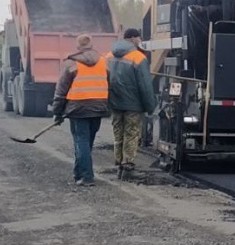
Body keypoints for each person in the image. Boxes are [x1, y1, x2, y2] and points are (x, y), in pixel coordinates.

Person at [51, 34, 109, 187]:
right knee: (87, 141)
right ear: (91, 45)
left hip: (78, 108)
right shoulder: (103, 62)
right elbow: (111, 83)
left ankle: (86, 176)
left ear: (78, 46)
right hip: (98, 107)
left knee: (81, 141)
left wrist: (57, 112)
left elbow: (61, 89)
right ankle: (78, 173)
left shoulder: (72, 63)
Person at [106, 28, 157, 179]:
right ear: (134, 38)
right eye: (138, 38)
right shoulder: (138, 57)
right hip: (133, 105)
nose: (139, 40)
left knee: (118, 133)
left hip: (115, 103)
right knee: (131, 133)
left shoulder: (109, 56)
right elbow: (145, 86)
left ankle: (118, 163)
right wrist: (150, 106)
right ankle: (127, 166)